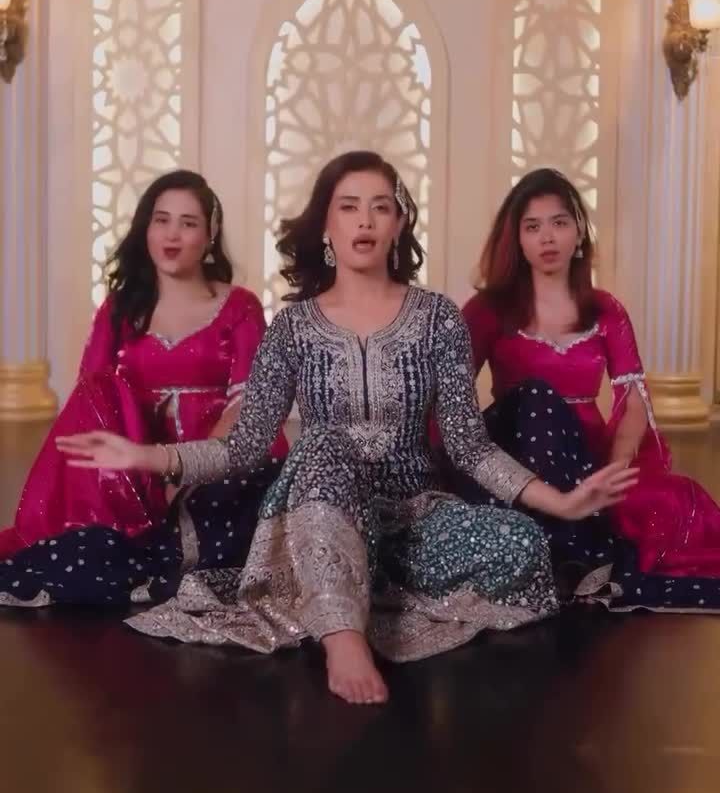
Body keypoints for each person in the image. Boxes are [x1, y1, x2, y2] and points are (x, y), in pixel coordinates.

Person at [56, 152, 635, 705]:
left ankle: (360, 584)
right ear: (326, 226)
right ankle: (343, 637)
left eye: (381, 207)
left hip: (411, 516)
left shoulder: (438, 319)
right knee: (327, 441)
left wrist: (561, 502)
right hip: (319, 504)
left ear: (399, 223)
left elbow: (468, 445)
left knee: (522, 545)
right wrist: (149, 457)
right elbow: (244, 446)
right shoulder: (292, 328)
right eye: (349, 206)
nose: (365, 220)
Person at [459, 167, 720, 609]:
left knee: (675, 506)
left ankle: (576, 553)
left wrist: (614, 471)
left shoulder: (605, 310)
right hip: (515, 450)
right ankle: (581, 552)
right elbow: (451, 399)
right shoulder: (487, 310)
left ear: (579, 232)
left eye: (559, 223)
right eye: (532, 227)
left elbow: (632, 400)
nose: (547, 238)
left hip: (584, 453)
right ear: (517, 240)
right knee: (537, 396)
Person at [0, 169, 287, 561]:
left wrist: (186, 472)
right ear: (146, 229)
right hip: (131, 470)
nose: (172, 235)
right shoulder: (118, 308)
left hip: (216, 463)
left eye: (188, 223)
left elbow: (247, 406)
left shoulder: (239, 307)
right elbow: (90, 401)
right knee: (97, 392)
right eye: (161, 220)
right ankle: (115, 529)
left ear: (210, 235)